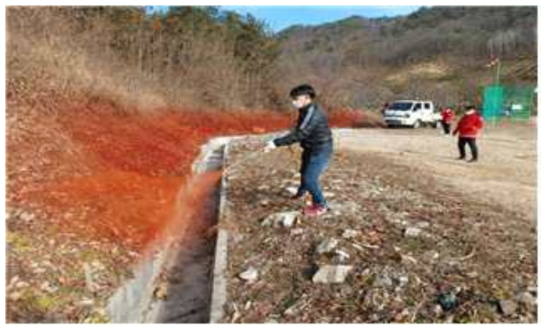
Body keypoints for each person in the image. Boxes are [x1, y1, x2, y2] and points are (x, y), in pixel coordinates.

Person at [264, 84, 333, 217]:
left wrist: (276, 143)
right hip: (309, 146)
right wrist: (282, 139)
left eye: (296, 98)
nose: (293, 102)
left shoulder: (314, 113)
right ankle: (301, 192)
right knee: (303, 171)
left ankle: (321, 205)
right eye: (293, 99)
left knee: (310, 178)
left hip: (321, 149)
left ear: (307, 98)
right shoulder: (304, 109)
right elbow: (298, 128)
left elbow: (301, 133)